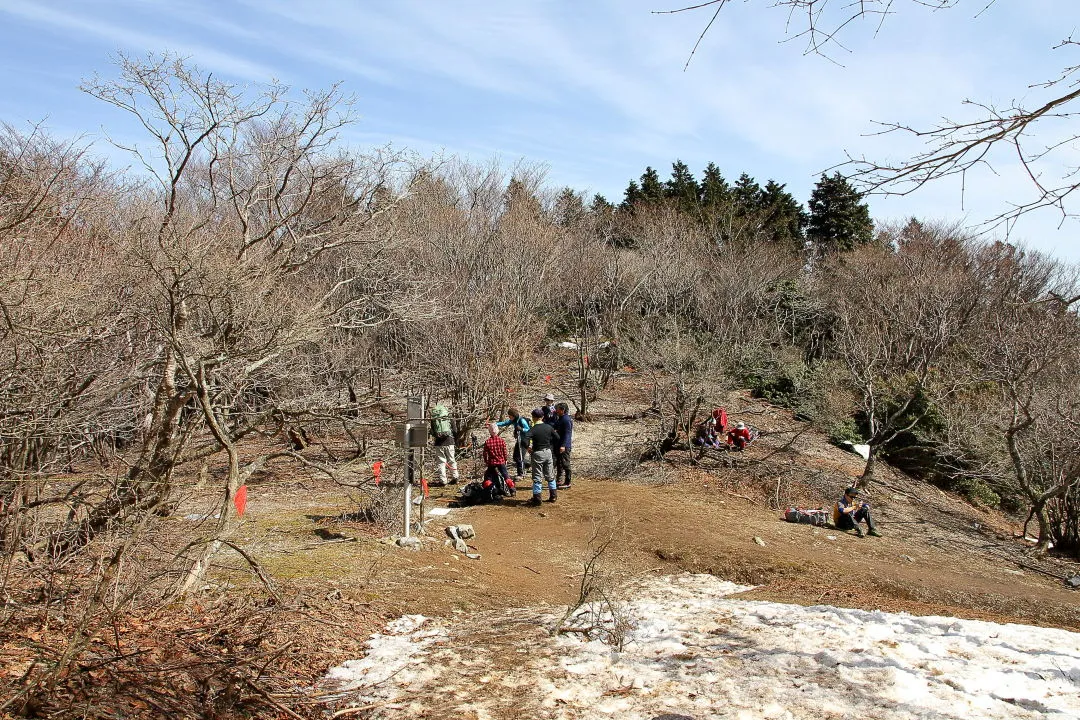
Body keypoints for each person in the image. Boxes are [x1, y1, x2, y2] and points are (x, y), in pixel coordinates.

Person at [523, 407, 561, 505]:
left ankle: (537, 498)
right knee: (550, 474)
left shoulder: (533, 429)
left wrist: (528, 448)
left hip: (537, 453)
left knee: (537, 476)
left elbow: (524, 440)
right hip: (548, 452)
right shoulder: (548, 427)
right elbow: (557, 437)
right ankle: (553, 496)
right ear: (543, 417)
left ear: (533, 418)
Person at [495, 407, 531, 484]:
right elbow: (505, 423)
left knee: (519, 457)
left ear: (513, 415)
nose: (509, 417)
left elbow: (528, 429)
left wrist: (521, 429)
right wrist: (495, 424)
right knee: (515, 456)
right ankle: (527, 464)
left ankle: (520, 474)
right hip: (519, 440)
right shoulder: (514, 420)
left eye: (510, 415)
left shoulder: (521, 420)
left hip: (524, 440)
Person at [429, 404, 459, 486]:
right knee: (451, 460)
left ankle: (443, 481)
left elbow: (433, 432)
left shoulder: (434, 419)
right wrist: (456, 441)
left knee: (441, 462)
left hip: (439, 444)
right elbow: (455, 431)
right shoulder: (449, 418)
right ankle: (455, 477)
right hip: (450, 442)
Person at [482, 423, 514, 496]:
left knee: (488, 477)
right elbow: (504, 452)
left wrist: (486, 461)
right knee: (506, 476)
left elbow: (485, 454)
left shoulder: (487, 442)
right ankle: (512, 489)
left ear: (489, 431)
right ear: (497, 431)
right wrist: (505, 459)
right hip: (501, 461)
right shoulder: (501, 441)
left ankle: (493, 490)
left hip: (492, 463)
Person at [551, 402, 574, 489]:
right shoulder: (560, 418)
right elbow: (555, 426)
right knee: (559, 463)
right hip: (558, 444)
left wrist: (563, 445)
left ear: (562, 410)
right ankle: (559, 480)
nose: (556, 410)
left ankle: (568, 482)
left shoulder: (566, 420)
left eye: (558, 409)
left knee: (565, 464)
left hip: (564, 445)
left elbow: (567, 434)